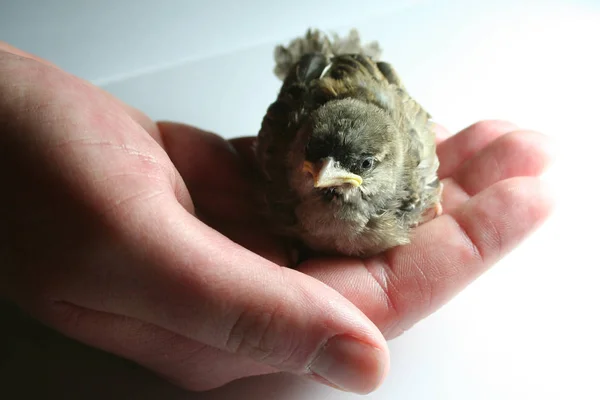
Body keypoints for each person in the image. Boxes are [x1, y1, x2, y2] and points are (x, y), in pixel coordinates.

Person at [0, 42, 554, 395]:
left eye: (353, 168)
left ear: (388, 169)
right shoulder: (285, 156)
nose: (324, 175)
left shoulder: (412, 183)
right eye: (316, 161)